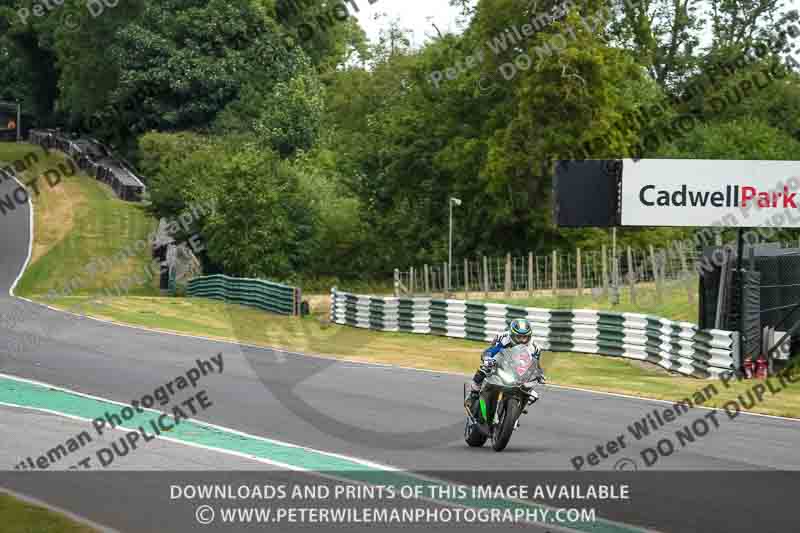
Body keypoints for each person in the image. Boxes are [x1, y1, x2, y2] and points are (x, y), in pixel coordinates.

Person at [465, 318, 545, 412]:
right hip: (500, 363)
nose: (522, 340)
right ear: (512, 335)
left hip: (518, 370)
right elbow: (490, 351)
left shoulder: (534, 348)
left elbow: (535, 364)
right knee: (484, 368)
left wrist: (539, 374)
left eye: (525, 337)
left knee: (531, 390)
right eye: (519, 337)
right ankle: (473, 394)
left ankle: (521, 406)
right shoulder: (503, 338)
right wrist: (488, 358)